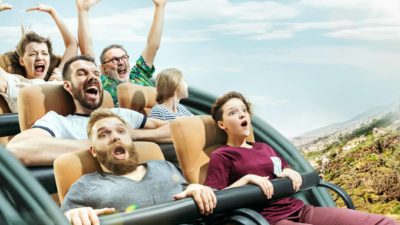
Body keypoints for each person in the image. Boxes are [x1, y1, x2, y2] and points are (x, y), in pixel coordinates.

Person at [204, 91, 397, 225]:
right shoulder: (222, 155)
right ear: (222, 125)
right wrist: (245, 181)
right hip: (269, 219)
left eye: (243, 110)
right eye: (233, 112)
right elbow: (215, 200)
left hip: (300, 209)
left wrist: (288, 171)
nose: (241, 114)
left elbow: (281, 170)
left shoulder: (265, 147)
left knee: (385, 222)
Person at [7, 55, 171, 166]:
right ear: (68, 86)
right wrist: (102, 144)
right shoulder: (58, 122)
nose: (92, 77)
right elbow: (18, 148)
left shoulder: (122, 114)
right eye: (82, 73)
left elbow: (177, 130)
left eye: (96, 73)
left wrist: (135, 135)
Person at [62, 108, 216, 225]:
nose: (116, 137)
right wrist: (70, 217)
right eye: (103, 134)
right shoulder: (84, 186)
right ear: (93, 151)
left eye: (121, 131)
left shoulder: (165, 166)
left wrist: (198, 190)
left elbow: (191, 195)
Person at [76, 0, 167, 106]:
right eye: (114, 59)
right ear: (104, 68)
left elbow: (153, 45)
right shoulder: (103, 83)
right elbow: (87, 49)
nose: (121, 62)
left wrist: (160, 7)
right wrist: (82, 12)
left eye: (124, 57)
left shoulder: (138, 73)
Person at [0, 2, 78, 112]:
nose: (40, 57)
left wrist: (52, 12)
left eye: (44, 53)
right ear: (22, 61)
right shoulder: (13, 83)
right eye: (32, 54)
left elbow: (72, 45)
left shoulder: (56, 80)